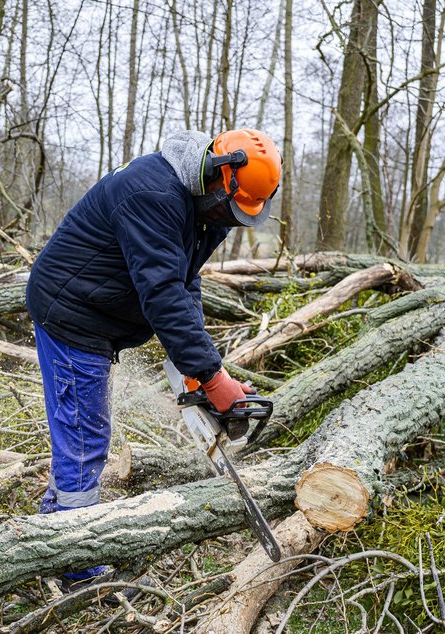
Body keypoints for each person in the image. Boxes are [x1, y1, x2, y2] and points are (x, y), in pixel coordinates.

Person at [25, 129, 282, 584]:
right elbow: (161, 293)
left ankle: (53, 526)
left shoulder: (205, 205)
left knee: (83, 432)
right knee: (87, 437)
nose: (228, 218)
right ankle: (75, 561)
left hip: (97, 311)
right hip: (71, 313)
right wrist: (212, 377)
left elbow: (184, 283)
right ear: (217, 174)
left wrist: (200, 369)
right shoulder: (152, 193)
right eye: (229, 206)